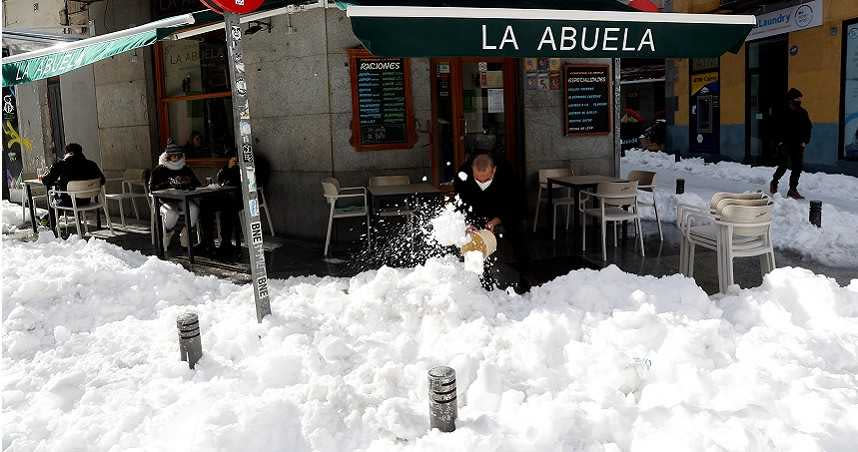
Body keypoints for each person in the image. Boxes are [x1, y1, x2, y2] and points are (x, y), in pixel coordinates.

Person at [454, 151, 530, 293]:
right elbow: (461, 203)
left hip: (502, 212)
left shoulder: (508, 176)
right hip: (475, 213)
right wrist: (469, 223)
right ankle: (477, 285)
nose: (482, 182)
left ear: (494, 170)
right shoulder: (462, 177)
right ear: (472, 171)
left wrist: (496, 221)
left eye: (486, 179)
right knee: (472, 244)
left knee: (514, 242)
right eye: (478, 179)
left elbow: (515, 205)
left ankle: (518, 282)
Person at [149, 143, 201, 250]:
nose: (176, 158)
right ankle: (167, 232)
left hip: (183, 199)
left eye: (178, 155)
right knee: (172, 213)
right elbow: (152, 188)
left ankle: (186, 233)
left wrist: (188, 184)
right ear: (168, 156)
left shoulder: (185, 168)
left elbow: (197, 184)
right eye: (173, 156)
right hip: (164, 201)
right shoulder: (159, 170)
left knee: (194, 209)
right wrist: (168, 185)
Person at [770, 88, 812, 199]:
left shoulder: (803, 113)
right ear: (791, 99)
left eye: (800, 99)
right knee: (784, 165)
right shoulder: (782, 112)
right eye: (797, 98)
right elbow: (776, 128)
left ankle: (792, 189)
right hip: (785, 144)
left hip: (798, 144)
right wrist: (779, 142)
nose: (799, 101)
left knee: (797, 166)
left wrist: (805, 141)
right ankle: (774, 182)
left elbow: (808, 127)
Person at [40, 143, 105, 208]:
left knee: (54, 197)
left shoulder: (61, 164)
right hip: (86, 200)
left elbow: (47, 181)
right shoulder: (92, 164)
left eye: (65, 153)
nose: (63, 155)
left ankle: (51, 217)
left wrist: (43, 177)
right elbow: (102, 181)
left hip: (68, 202)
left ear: (70, 153)